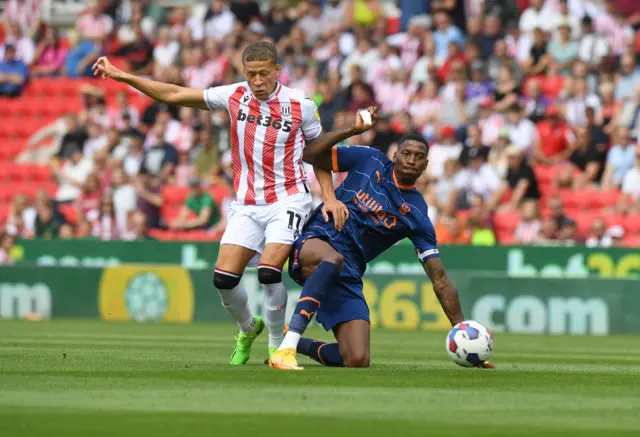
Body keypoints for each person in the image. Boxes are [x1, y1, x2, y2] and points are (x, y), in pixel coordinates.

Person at [92, 41, 347, 364]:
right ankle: (248, 327)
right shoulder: (233, 96)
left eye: (264, 74)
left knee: (269, 272)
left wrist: (329, 195)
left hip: (288, 199)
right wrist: (122, 75)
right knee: (224, 280)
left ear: (277, 71)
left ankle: (276, 346)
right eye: (251, 74)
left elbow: (319, 152)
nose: (257, 81)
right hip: (246, 203)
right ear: (244, 72)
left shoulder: (300, 104)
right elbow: (172, 94)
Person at [269, 110, 493, 370]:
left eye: (419, 157)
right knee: (332, 258)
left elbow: (440, 280)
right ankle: (286, 350)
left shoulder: (417, 215)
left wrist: (463, 333)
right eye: (406, 153)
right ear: (394, 155)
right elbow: (311, 155)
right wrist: (352, 131)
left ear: (425, 166)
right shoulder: (370, 159)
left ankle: (291, 340)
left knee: (356, 358)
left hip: (349, 270)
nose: (411, 160)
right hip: (316, 239)